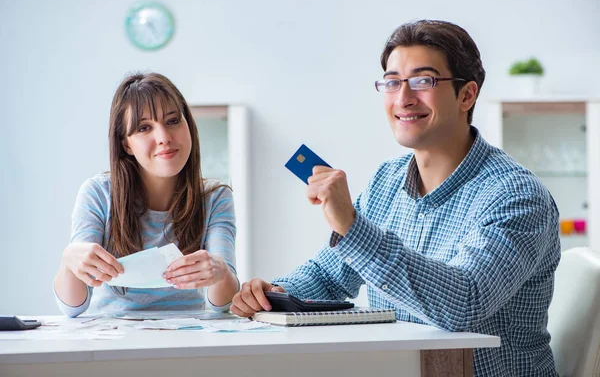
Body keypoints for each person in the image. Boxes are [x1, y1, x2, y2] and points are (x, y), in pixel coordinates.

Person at [231, 20, 560, 376]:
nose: (403, 98)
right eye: (392, 82)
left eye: (423, 80)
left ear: (467, 95)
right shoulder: (386, 180)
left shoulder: (516, 195)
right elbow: (332, 274)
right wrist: (274, 293)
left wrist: (352, 227)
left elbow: (466, 302)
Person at [54, 72, 239, 317]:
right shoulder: (98, 193)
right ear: (126, 144)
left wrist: (221, 272)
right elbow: (72, 308)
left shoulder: (215, 197)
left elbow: (222, 305)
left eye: (173, 121)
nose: (164, 138)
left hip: (188, 338)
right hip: (112, 340)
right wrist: (69, 262)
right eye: (144, 128)